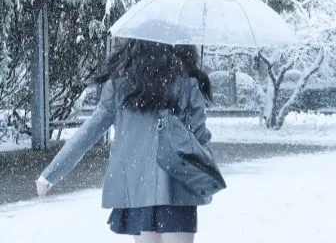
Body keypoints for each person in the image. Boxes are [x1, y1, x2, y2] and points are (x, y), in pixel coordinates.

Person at [36, 39, 213, 243]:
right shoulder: (187, 83)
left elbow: (89, 131)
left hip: (138, 189)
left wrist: (51, 173)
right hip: (178, 186)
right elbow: (200, 138)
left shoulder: (121, 85)